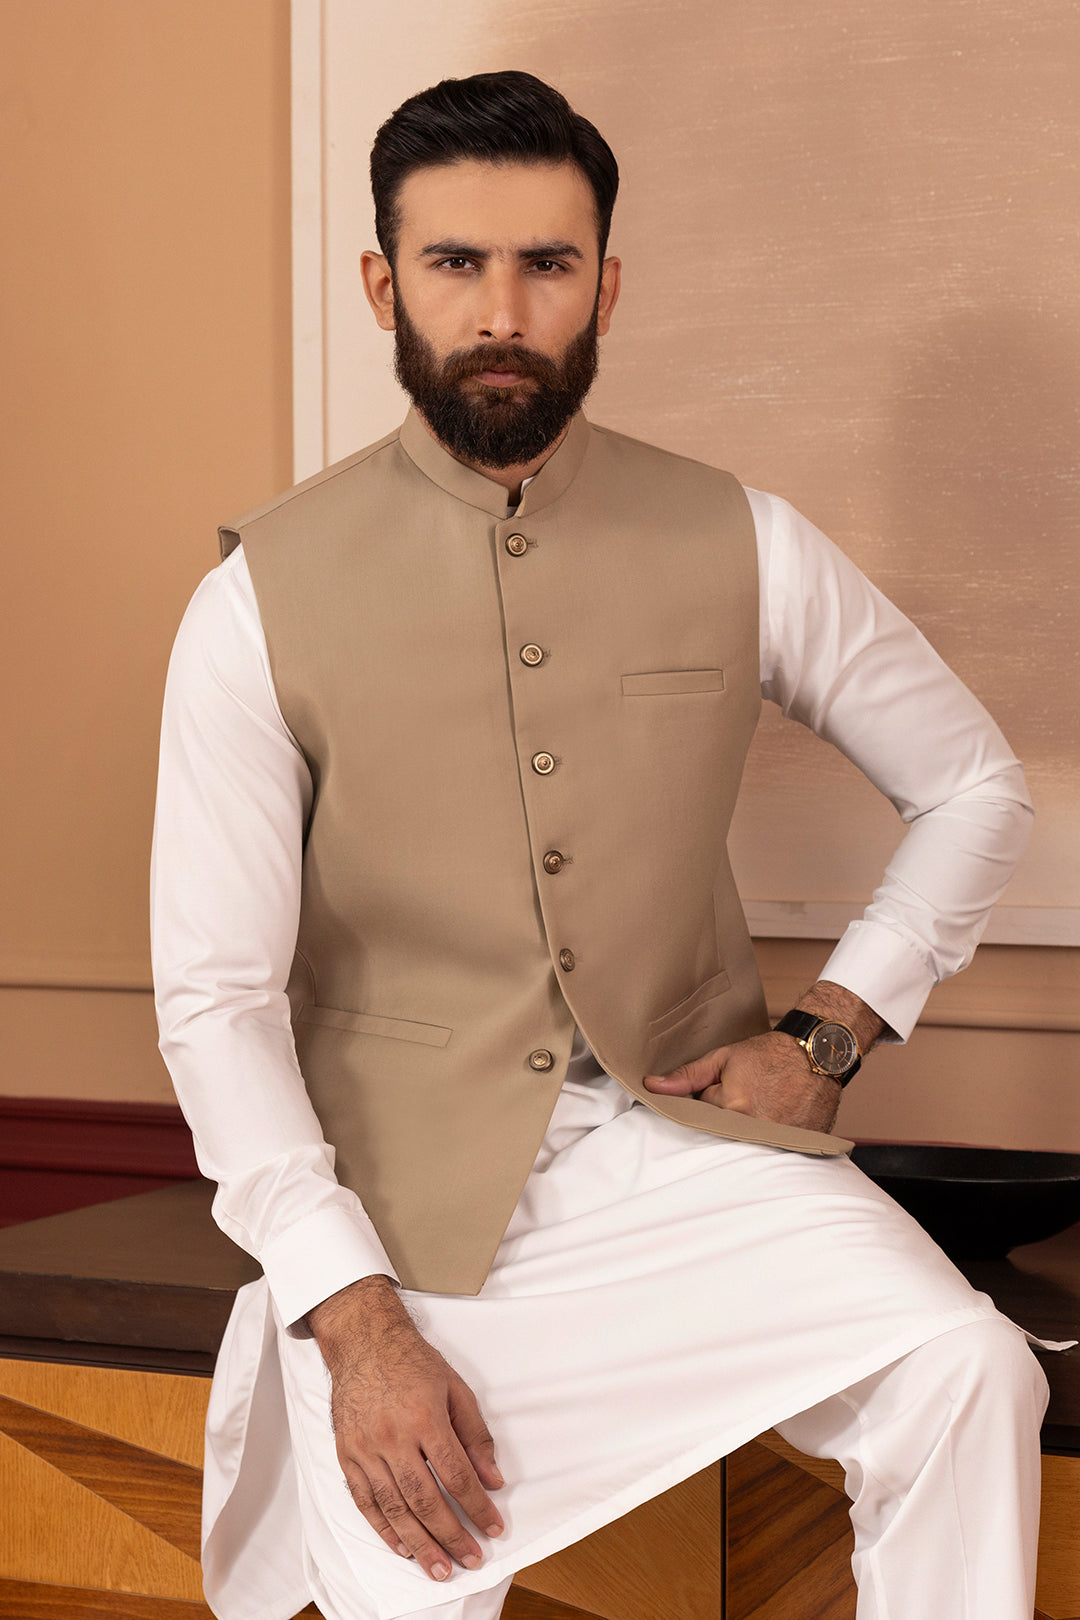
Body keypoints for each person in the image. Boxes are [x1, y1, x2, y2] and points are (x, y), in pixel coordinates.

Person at [152, 70, 1052, 1620]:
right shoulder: (255, 603)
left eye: (547, 264)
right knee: (416, 1558)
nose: (502, 311)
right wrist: (351, 1318)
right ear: (383, 284)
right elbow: (217, 1002)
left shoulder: (745, 537)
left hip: (688, 1151)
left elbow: (976, 786)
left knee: (965, 1366)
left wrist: (831, 1031)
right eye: (455, 262)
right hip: (398, 1197)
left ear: (606, 289)